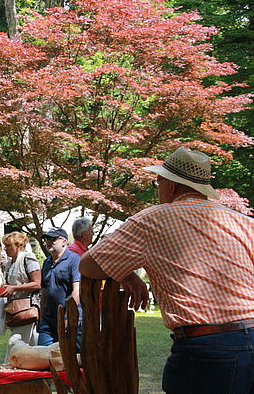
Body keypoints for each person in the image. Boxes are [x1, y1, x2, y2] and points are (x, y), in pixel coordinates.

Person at [79, 146, 254, 394]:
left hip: (207, 348)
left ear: (170, 185)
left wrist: (125, 274)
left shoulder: (153, 220)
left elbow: (88, 264)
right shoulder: (241, 221)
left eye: (157, 182)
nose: (157, 189)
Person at [0, 231, 42, 360]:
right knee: (32, 346)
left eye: (8, 246)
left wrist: (15, 288)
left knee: (14, 343)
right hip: (14, 310)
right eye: (4, 245)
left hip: (26, 309)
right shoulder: (10, 263)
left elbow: (37, 283)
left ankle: (8, 370)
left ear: (18, 245)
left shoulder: (28, 258)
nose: (5, 248)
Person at [37, 226, 81, 346]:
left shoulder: (74, 260)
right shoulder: (47, 262)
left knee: (71, 358)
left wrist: (68, 316)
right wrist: (41, 316)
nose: (49, 242)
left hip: (69, 317)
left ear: (64, 241)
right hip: (48, 320)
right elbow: (44, 291)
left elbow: (77, 290)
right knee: (42, 356)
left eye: (53, 239)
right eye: (47, 239)